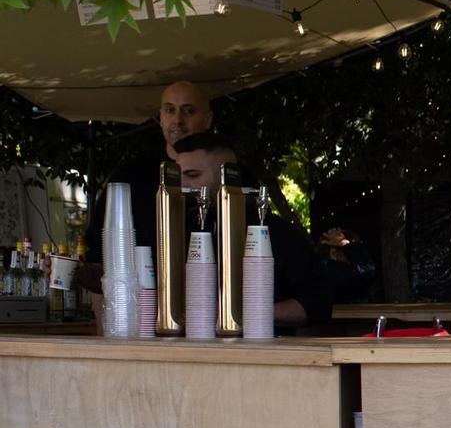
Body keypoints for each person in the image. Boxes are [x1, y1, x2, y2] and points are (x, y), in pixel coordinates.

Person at [169, 133, 333, 327]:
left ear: (228, 178)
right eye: (177, 176)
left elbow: (316, 305)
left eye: (192, 175)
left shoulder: (271, 230)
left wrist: (240, 312)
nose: (182, 185)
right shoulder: (175, 228)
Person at [83, 80, 213, 278]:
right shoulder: (131, 175)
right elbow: (98, 255)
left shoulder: (228, 175)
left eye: (188, 111)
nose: (178, 120)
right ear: (160, 117)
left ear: (207, 119)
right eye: (170, 110)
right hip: (139, 303)